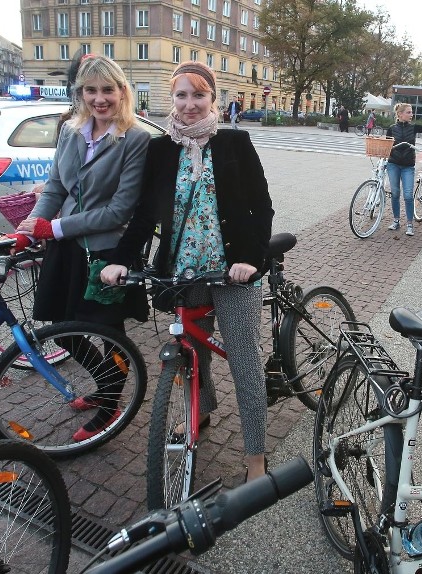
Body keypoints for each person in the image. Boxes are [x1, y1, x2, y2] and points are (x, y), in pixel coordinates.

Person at [101, 61, 274, 482]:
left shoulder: (235, 143)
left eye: (199, 95)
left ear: (213, 98)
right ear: (171, 99)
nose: (190, 104)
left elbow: (261, 208)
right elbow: (144, 216)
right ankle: (204, 410)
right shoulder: (161, 149)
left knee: (244, 361)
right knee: (194, 351)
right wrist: (120, 258)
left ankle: (255, 456)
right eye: (182, 95)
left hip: (232, 271)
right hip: (185, 271)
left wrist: (250, 259)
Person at [7, 54, 151, 442]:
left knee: (109, 332)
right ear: (80, 93)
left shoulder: (135, 139)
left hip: (105, 252)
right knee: (62, 329)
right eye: (91, 90)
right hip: (66, 248)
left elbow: (119, 210)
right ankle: (106, 385)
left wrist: (52, 226)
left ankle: (109, 406)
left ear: (123, 92)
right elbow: (54, 187)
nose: (100, 98)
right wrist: (30, 229)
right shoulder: (70, 131)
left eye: (108, 89)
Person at [385, 103, 422, 236]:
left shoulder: (414, 127)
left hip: (408, 166)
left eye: (411, 112)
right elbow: (387, 145)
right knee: (395, 193)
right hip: (393, 164)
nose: (411, 115)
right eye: (409, 112)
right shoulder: (392, 128)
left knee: (408, 195)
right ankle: (396, 220)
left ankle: (410, 224)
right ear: (400, 114)